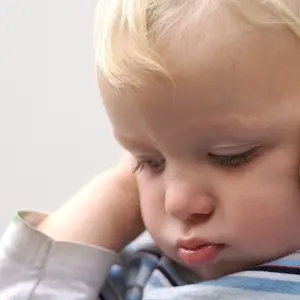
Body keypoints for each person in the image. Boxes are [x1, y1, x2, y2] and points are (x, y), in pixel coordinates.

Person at [2, 0, 300, 298]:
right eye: (149, 162)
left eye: (229, 156)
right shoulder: (135, 279)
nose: (177, 202)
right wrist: (120, 190)